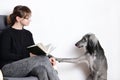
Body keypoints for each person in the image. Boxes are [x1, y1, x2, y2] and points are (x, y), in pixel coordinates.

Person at [0, 5, 59, 80]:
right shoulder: (6, 33)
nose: (30, 20)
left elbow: (34, 51)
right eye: (27, 18)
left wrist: (49, 57)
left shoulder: (28, 34)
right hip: (7, 68)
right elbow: (4, 54)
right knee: (43, 59)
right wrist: (28, 55)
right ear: (18, 18)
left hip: (24, 66)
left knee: (41, 70)